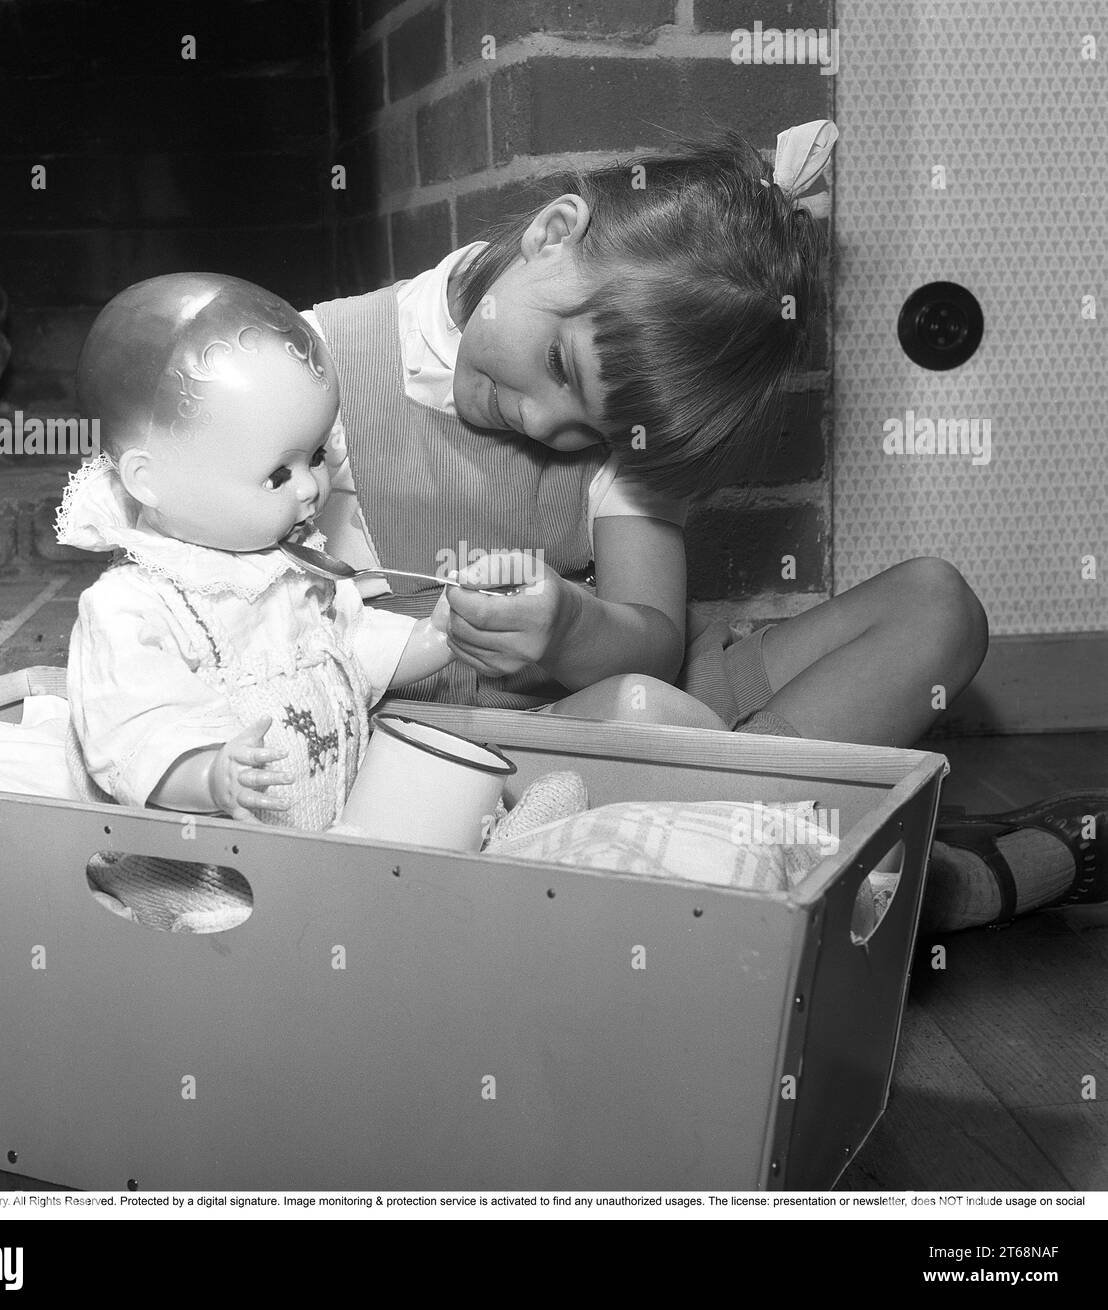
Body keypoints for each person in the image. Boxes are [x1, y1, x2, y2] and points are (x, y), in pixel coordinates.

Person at [301, 119, 1106, 931]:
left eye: (595, 430)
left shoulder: (633, 428)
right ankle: (934, 880)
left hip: (678, 706)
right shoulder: (314, 366)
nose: (545, 424)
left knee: (940, 605)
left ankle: (736, 832)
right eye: (559, 366)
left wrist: (568, 625)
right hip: (500, 752)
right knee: (640, 715)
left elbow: (654, 638)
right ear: (552, 234)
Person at [57, 273, 454, 832]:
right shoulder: (133, 608)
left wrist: (442, 634)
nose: (311, 488)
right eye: (276, 475)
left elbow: (348, 651)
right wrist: (209, 777)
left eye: (316, 455)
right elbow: (136, 732)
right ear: (150, 481)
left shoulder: (293, 566)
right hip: (218, 866)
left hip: (330, 833)